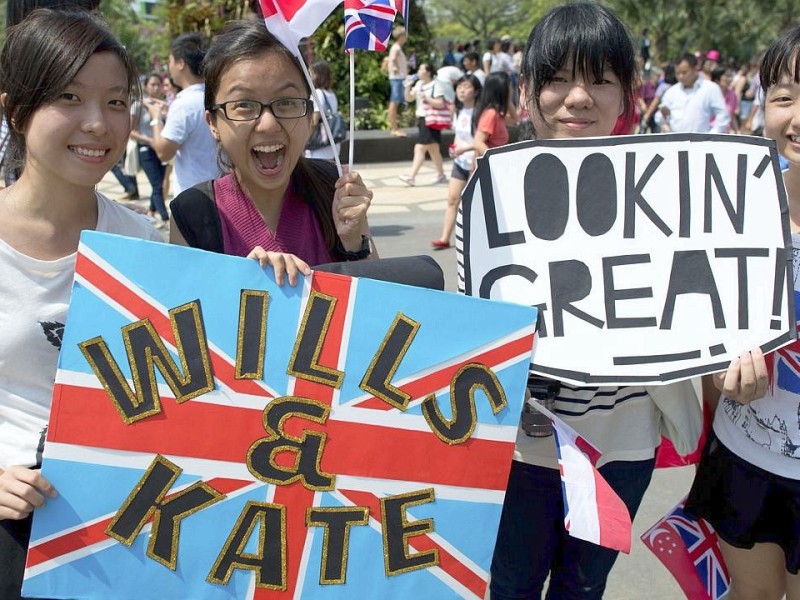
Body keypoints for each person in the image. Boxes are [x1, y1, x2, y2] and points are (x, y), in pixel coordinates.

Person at [486, 5, 765, 598]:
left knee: (584, 587)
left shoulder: (667, 189)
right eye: (557, 78)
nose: (578, 98)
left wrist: (736, 351)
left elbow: (703, 300)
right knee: (509, 584)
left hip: (625, 446)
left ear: (626, 96)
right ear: (528, 91)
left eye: (601, 79)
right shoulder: (492, 193)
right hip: (521, 451)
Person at [0, 9, 162, 598]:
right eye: (70, 97)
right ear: (16, 110)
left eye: (116, 101)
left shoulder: (140, 242)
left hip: (126, 521)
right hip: (14, 524)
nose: (98, 123)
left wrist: (268, 282)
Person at [685, 26, 800, 600]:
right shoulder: (732, 207)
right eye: (783, 96)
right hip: (744, 460)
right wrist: (717, 376)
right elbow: (699, 334)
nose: (797, 116)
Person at [169, 20, 375, 280]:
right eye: (243, 104)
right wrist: (245, 285)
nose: (268, 124)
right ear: (213, 123)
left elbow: (378, 310)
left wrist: (355, 242)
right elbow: (185, 315)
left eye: (287, 102)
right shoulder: (193, 213)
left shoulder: (333, 189)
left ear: (309, 114)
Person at [146, 32, 219, 196]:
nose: (168, 66)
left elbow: (164, 152)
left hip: (194, 195)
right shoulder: (215, 95)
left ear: (180, 63)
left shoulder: (184, 104)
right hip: (219, 189)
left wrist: (156, 118)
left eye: (170, 60)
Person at [432, 74, 481, 250]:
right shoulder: (459, 111)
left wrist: (469, 154)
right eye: (459, 86)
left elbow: (480, 141)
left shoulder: (479, 113)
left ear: (475, 91)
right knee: (453, 199)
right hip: (460, 162)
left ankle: (476, 238)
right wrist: (455, 147)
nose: (461, 90)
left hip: (476, 164)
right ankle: (444, 238)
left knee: (474, 203)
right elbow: (459, 135)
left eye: (466, 87)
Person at [398, 62, 448, 187]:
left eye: (421, 69)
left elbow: (440, 103)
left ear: (428, 72)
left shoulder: (436, 85)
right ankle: (441, 174)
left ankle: (411, 176)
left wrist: (426, 98)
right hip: (422, 119)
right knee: (433, 149)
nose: (419, 71)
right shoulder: (419, 84)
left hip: (431, 120)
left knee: (420, 148)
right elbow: (409, 98)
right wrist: (408, 86)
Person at [130, 73, 169, 223]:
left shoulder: (162, 104)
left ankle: (151, 212)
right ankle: (165, 219)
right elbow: (130, 130)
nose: (156, 87)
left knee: (158, 184)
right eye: (152, 84)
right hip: (146, 149)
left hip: (161, 150)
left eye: (158, 84)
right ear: (146, 86)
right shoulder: (138, 105)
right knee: (157, 185)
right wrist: (148, 139)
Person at [656, 53, 730, 133]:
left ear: (695, 69)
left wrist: (712, 135)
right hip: (676, 141)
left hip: (700, 142)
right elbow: (660, 114)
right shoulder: (672, 92)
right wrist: (664, 123)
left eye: (684, 72)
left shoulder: (710, 89)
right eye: (678, 73)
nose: (681, 76)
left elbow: (723, 115)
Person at [472, 71, 515, 158]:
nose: (512, 90)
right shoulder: (491, 114)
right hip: (494, 166)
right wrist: (494, 160)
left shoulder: (499, 114)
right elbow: (478, 142)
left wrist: (508, 100)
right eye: (509, 87)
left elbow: (515, 120)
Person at [305, 60, 341, 161]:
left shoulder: (318, 93)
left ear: (317, 75)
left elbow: (314, 120)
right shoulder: (331, 94)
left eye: (311, 73)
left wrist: (305, 139)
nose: (309, 77)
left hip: (319, 147)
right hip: (331, 145)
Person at [387, 25, 409, 137]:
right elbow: (393, 59)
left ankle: (395, 127)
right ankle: (394, 128)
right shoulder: (396, 48)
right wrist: (396, 68)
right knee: (394, 102)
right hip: (397, 78)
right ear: (401, 36)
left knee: (395, 102)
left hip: (399, 78)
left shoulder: (397, 47)